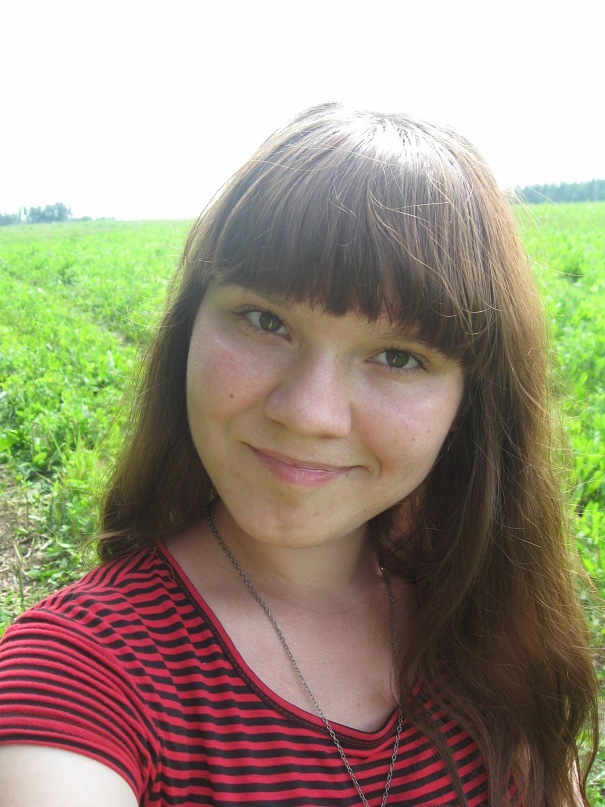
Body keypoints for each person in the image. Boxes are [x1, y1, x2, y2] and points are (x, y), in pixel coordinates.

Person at [0, 103, 599, 807]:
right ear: (189, 328)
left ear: (470, 404)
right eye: (266, 321)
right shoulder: (81, 673)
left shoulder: (489, 625)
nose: (310, 413)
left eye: (397, 357)